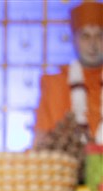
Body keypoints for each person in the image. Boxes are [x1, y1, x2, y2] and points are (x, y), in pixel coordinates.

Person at [35, 0, 103, 144]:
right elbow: (41, 143)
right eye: (85, 36)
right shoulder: (54, 84)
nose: (93, 44)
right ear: (74, 40)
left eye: (99, 36)